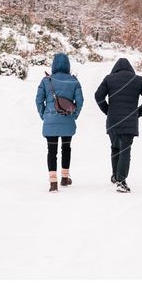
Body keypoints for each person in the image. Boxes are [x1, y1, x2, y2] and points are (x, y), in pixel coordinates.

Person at [94, 58, 142, 193]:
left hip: (113, 121)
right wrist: (138, 112)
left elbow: (98, 96)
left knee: (115, 147)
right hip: (129, 121)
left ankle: (116, 176)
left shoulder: (109, 79)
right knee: (125, 150)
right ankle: (121, 181)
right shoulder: (137, 79)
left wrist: (108, 111)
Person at [36, 52, 84, 192]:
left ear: (53, 65)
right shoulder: (74, 81)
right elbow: (80, 101)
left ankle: (53, 182)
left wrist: (44, 115)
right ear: (68, 65)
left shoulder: (46, 81)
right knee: (66, 148)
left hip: (50, 120)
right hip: (67, 120)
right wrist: (73, 115)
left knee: (51, 150)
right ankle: (64, 178)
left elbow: (39, 100)